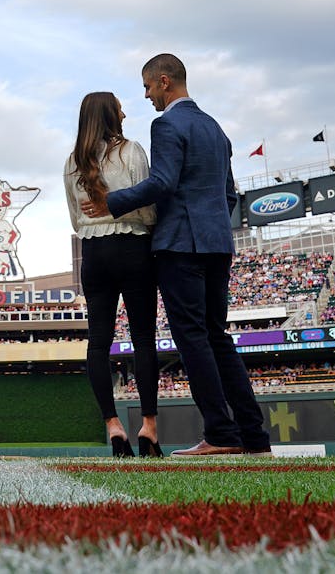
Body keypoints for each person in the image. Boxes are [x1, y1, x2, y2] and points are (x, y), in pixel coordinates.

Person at [82, 54, 271, 457]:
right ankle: (254, 438)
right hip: (217, 243)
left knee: (194, 341)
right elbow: (229, 194)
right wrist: (212, 224)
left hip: (180, 245)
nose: (147, 96)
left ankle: (220, 434)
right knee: (218, 338)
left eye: (149, 87)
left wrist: (112, 202)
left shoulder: (166, 124)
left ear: (164, 82)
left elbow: (163, 182)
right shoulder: (215, 128)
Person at [64, 91, 161, 458]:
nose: (125, 110)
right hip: (133, 247)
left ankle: (112, 424)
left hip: (94, 251)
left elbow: (76, 219)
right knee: (143, 338)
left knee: (98, 342)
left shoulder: (72, 162)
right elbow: (149, 210)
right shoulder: (130, 151)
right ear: (109, 114)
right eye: (119, 106)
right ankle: (148, 427)